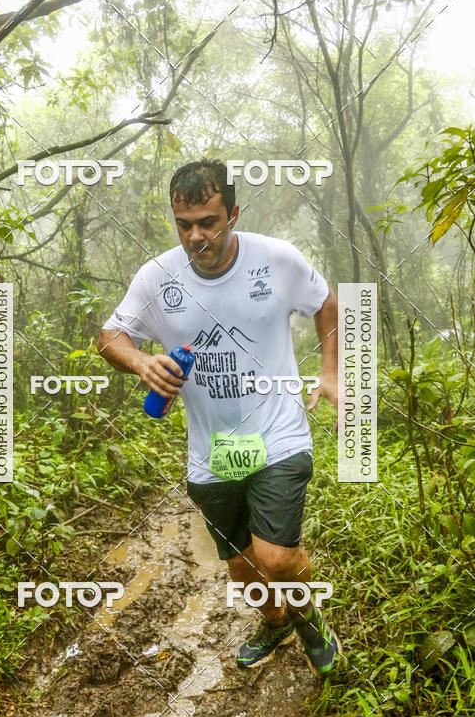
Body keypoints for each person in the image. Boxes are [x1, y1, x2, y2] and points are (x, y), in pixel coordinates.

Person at [96, 158, 340, 676]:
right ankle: (274, 625)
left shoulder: (276, 259)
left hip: (278, 433)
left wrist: (330, 371)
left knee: (276, 558)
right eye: (184, 224)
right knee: (244, 570)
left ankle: (309, 620)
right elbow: (110, 337)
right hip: (212, 450)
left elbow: (326, 302)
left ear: (233, 212)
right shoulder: (157, 277)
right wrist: (141, 362)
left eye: (208, 222)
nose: (196, 236)